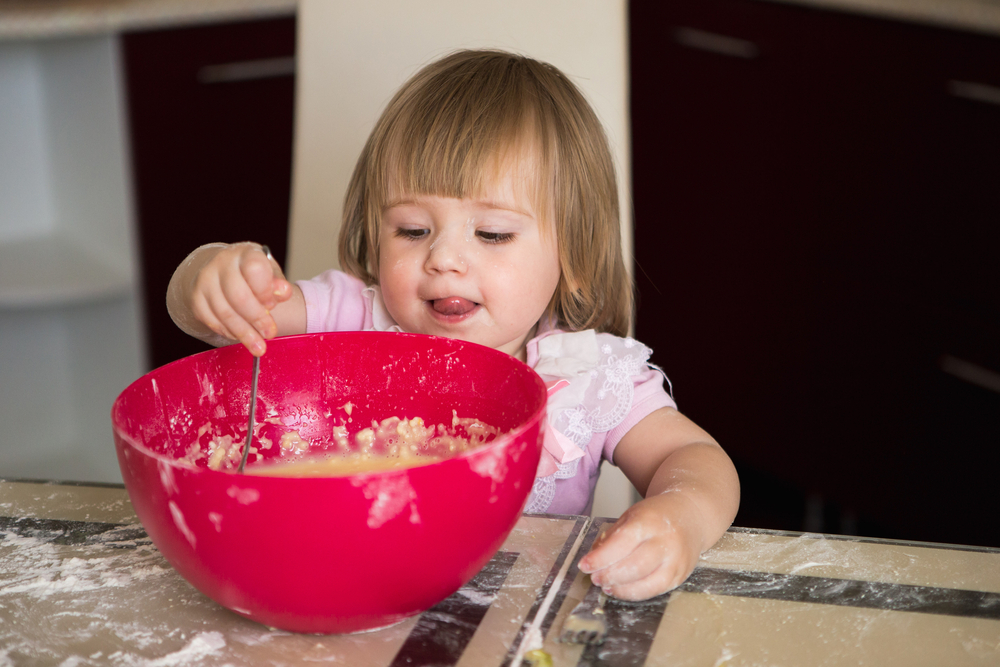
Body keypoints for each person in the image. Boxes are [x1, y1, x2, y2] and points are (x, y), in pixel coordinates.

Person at [166, 49, 739, 601]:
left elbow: (694, 458)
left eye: (491, 234)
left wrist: (681, 518)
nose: (444, 258)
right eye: (413, 230)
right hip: (353, 603)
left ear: (573, 253)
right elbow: (219, 317)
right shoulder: (354, 319)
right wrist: (210, 275)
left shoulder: (590, 375)